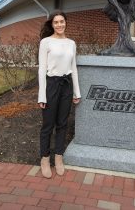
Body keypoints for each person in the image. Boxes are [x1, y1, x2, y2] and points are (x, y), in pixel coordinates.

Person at [38, 11, 81, 178]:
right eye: (56, 22)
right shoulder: (45, 42)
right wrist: (42, 95)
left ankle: (58, 158)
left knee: (62, 123)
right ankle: (44, 158)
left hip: (66, 85)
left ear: (65, 22)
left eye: (62, 21)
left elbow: (74, 69)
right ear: (52, 24)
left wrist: (77, 92)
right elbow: (42, 69)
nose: (59, 25)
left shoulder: (71, 43)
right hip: (51, 85)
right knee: (48, 125)